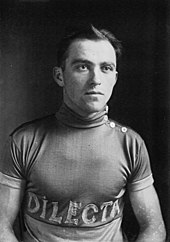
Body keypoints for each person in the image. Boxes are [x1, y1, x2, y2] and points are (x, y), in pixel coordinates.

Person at [0, 24, 166, 242]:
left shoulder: (131, 144)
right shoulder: (25, 141)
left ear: (114, 78)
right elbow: (1, 226)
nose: (96, 79)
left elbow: (153, 228)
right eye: (82, 67)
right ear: (60, 76)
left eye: (106, 68)